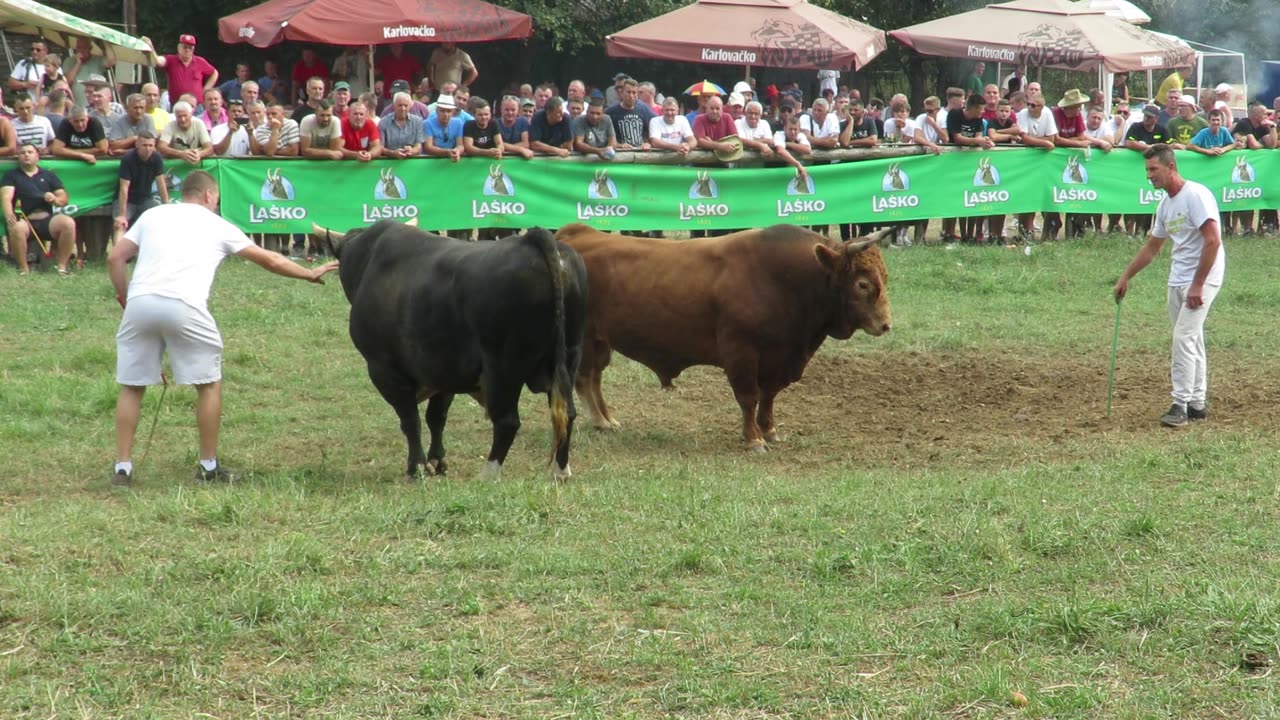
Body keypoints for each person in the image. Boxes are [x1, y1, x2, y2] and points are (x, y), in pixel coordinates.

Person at [107, 170, 337, 486]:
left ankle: (123, 467)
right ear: (209, 196)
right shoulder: (217, 224)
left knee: (132, 387)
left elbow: (115, 258)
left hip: (140, 304)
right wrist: (307, 274)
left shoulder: (152, 214)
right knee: (208, 384)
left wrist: (126, 299)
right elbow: (268, 259)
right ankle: (208, 467)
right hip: (184, 305)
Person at [1113, 144, 1224, 428]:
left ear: (1170, 167)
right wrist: (1126, 276)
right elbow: (1153, 246)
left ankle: (1180, 405)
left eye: (1153, 169)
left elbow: (1213, 241)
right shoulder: (1165, 204)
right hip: (1178, 275)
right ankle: (1197, 403)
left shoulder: (1196, 196)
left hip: (1203, 275)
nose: (1149, 176)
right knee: (1191, 337)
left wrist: (1198, 284)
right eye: (1147, 170)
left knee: (1183, 338)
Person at [2, 143, 75, 274]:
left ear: (37, 156)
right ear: (18, 157)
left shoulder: (48, 175)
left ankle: (62, 267)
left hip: (47, 220)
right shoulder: (11, 175)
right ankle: (24, 269)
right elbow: (6, 197)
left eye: (30, 152)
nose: (26, 155)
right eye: (23, 153)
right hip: (24, 220)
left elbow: (63, 199)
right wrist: (9, 214)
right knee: (17, 228)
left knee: (68, 223)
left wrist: (54, 199)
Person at [112, 130, 168, 247]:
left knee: (161, 220)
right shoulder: (128, 158)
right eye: (144, 145)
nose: (148, 149)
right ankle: (117, 256)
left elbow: (161, 184)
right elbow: (124, 187)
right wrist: (122, 214)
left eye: (150, 145)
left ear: (154, 146)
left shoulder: (157, 158)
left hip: (145, 199)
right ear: (137, 145)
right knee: (120, 224)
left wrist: (166, 207)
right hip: (126, 200)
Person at [146, 34, 218, 105]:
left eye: (190, 48)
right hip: (176, 104)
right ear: (179, 47)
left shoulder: (200, 61)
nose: (187, 50)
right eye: (185, 47)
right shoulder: (171, 60)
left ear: (193, 49)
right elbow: (158, 61)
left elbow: (214, 73)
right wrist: (151, 48)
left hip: (196, 106)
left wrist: (205, 90)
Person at [379, 92, 425, 158]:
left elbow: (419, 145)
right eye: (400, 105)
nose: (403, 109)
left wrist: (412, 151)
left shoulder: (418, 121)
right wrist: (393, 153)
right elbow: (380, 147)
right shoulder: (383, 122)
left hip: (412, 160)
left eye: (405, 105)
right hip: (390, 160)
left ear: (410, 106)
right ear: (394, 106)